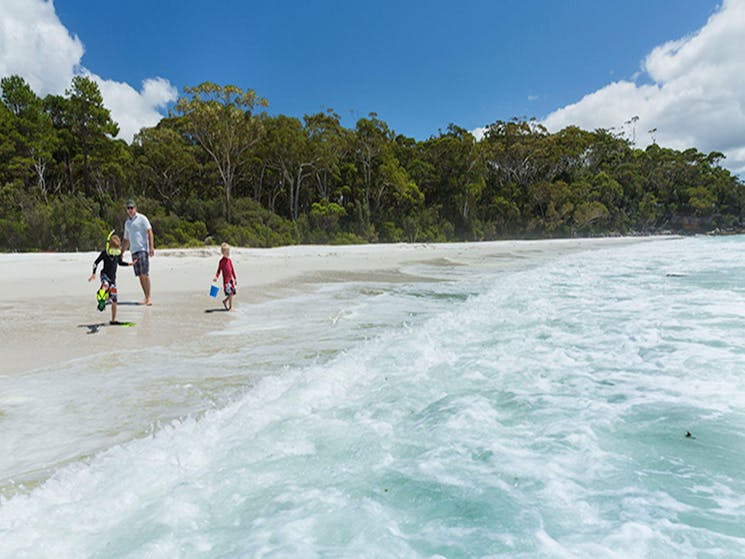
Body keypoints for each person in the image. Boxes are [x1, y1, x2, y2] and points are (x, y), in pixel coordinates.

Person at [88, 231, 135, 324]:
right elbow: (95, 263)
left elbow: (120, 263)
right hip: (104, 275)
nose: (115, 252)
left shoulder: (117, 254)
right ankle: (101, 298)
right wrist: (93, 273)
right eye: (113, 249)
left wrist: (130, 264)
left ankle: (113, 320)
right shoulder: (105, 253)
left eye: (117, 249)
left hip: (113, 279)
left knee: (114, 300)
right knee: (105, 285)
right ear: (109, 247)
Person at [122, 199, 154, 305]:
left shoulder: (142, 218)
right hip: (133, 251)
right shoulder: (127, 223)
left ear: (135, 208)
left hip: (143, 249)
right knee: (140, 275)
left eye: (132, 208)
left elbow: (149, 232)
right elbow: (126, 239)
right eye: (128, 208)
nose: (130, 210)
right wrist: (122, 252)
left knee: (145, 273)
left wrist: (151, 247)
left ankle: (149, 297)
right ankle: (145, 297)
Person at [213, 242, 237, 311]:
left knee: (232, 293)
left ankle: (225, 301)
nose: (228, 253)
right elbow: (218, 270)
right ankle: (230, 306)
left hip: (231, 280)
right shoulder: (221, 262)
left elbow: (232, 270)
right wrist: (216, 277)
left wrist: (235, 278)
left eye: (229, 252)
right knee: (230, 293)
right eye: (227, 252)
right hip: (226, 281)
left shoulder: (229, 260)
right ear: (223, 253)